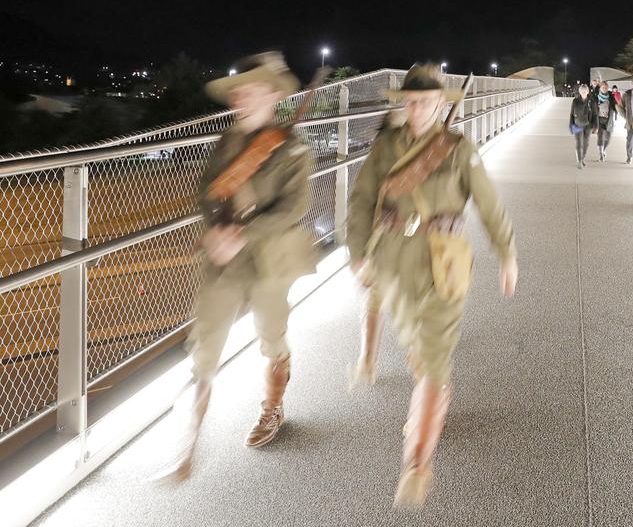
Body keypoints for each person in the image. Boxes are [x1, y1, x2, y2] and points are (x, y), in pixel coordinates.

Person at [347, 64, 519, 508]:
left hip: (442, 259)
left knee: (435, 354)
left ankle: (416, 464)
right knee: (419, 351)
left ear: (442, 104)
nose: (417, 108)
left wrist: (507, 252)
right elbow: (363, 198)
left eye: (425, 101)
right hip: (392, 257)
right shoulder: (387, 146)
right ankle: (431, 398)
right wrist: (357, 251)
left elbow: (488, 202)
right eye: (410, 100)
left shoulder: (459, 150)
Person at [157, 52, 318, 480]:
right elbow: (206, 194)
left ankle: (273, 406)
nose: (241, 99)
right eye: (238, 92)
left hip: (269, 260)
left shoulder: (293, 151)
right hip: (223, 262)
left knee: (271, 336)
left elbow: (292, 209)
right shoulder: (225, 144)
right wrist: (215, 228)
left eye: (252, 91)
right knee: (205, 346)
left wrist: (241, 234)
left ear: (272, 96)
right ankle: (185, 446)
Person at [570, 84, 597, 169]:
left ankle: (582, 158)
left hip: (588, 125)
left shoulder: (591, 101)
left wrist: (596, 126)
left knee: (586, 144)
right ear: (579, 91)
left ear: (588, 91)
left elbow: (595, 115)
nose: (583, 92)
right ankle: (579, 161)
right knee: (579, 143)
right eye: (582, 90)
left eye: (585, 90)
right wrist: (571, 125)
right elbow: (571, 114)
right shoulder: (575, 101)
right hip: (577, 124)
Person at [593, 80, 619, 161]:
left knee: (608, 138)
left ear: (608, 88)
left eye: (606, 87)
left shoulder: (611, 96)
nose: (604, 88)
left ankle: (604, 149)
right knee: (600, 137)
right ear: (600, 88)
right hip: (599, 119)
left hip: (609, 119)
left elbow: (616, 106)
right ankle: (601, 154)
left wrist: (618, 112)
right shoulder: (596, 97)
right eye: (603, 87)